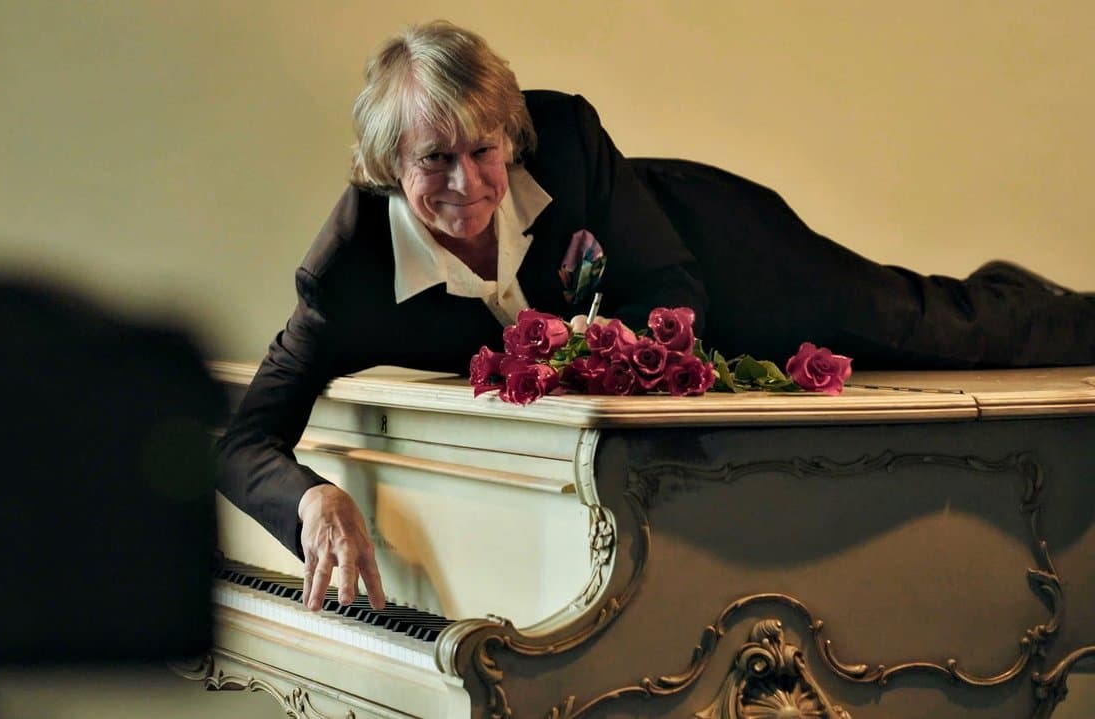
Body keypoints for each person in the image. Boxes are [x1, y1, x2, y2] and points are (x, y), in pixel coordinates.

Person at [217, 20, 1095, 613]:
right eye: (433, 160)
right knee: (939, 327)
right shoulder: (346, 277)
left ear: (511, 135)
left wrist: (596, 339)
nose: (468, 184)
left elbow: (671, 281)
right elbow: (242, 439)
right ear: (386, 164)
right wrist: (313, 499)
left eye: (484, 150)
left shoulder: (566, 134)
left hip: (725, 254)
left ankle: (1054, 311)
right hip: (667, 347)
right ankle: (1011, 292)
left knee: (930, 329)